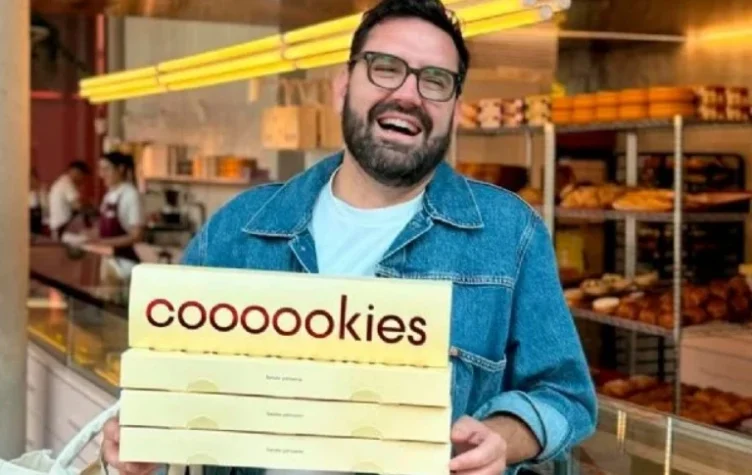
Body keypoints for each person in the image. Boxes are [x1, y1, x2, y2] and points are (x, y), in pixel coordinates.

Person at [100, 1, 597, 474]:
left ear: (455, 108)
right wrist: (138, 445)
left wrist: (503, 438)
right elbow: (163, 383)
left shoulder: (510, 235)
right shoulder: (239, 229)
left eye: (435, 80)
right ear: (342, 87)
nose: (409, 94)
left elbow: (565, 394)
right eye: (385, 68)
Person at [84, 151, 144, 264]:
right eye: (100, 169)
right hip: (107, 258)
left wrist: (102, 243)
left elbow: (136, 236)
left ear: (121, 169)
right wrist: (87, 235)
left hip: (124, 261)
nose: (102, 174)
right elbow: (104, 230)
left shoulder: (130, 195)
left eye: (106, 169)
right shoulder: (109, 195)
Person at [48, 160, 90, 239]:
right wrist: (90, 207)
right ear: (77, 173)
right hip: (63, 228)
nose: (83, 181)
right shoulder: (68, 184)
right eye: (83, 177)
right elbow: (77, 206)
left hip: (58, 227)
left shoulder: (61, 181)